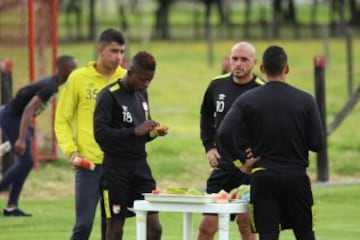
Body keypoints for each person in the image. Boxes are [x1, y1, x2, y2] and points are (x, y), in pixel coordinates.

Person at [217, 45, 324, 240]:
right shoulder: (306, 100)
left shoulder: (247, 99)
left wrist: (241, 162)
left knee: (268, 235)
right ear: (287, 69)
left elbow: (223, 133)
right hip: (296, 177)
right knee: (305, 234)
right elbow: (317, 143)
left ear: (263, 69)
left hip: (263, 177)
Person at [54, 28, 127, 240]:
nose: (119, 57)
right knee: (83, 226)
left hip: (117, 166)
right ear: (101, 49)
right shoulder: (78, 78)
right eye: (114, 51)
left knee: (112, 229)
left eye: (122, 52)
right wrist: (71, 151)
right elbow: (62, 120)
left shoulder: (126, 79)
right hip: (88, 165)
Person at [94, 51, 165, 240]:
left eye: (150, 80)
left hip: (140, 168)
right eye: (143, 79)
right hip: (115, 170)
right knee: (115, 228)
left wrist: (152, 132)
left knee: (155, 228)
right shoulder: (109, 96)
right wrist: (134, 131)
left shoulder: (142, 95)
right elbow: (100, 135)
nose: (146, 84)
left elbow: (142, 134)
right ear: (130, 71)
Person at [197, 42, 264, 240]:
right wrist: (209, 147)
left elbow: (271, 127)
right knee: (206, 227)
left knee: (246, 226)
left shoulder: (262, 90)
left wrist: (257, 155)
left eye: (244, 59)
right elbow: (206, 116)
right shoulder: (217, 85)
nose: (238, 63)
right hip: (224, 167)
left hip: (251, 169)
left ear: (254, 63)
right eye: (235, 58)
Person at [0, 55, 77, 217]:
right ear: (63, 69)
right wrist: (21, 139)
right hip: (11, 117)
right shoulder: (49, 86)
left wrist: (29, 130)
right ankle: (9, 201)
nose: (75, 72)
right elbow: (28, 110)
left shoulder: (53, 84)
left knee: (26, 162)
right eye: (72, 68)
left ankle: (11, 207)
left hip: (14, 116)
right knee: (26, 161)